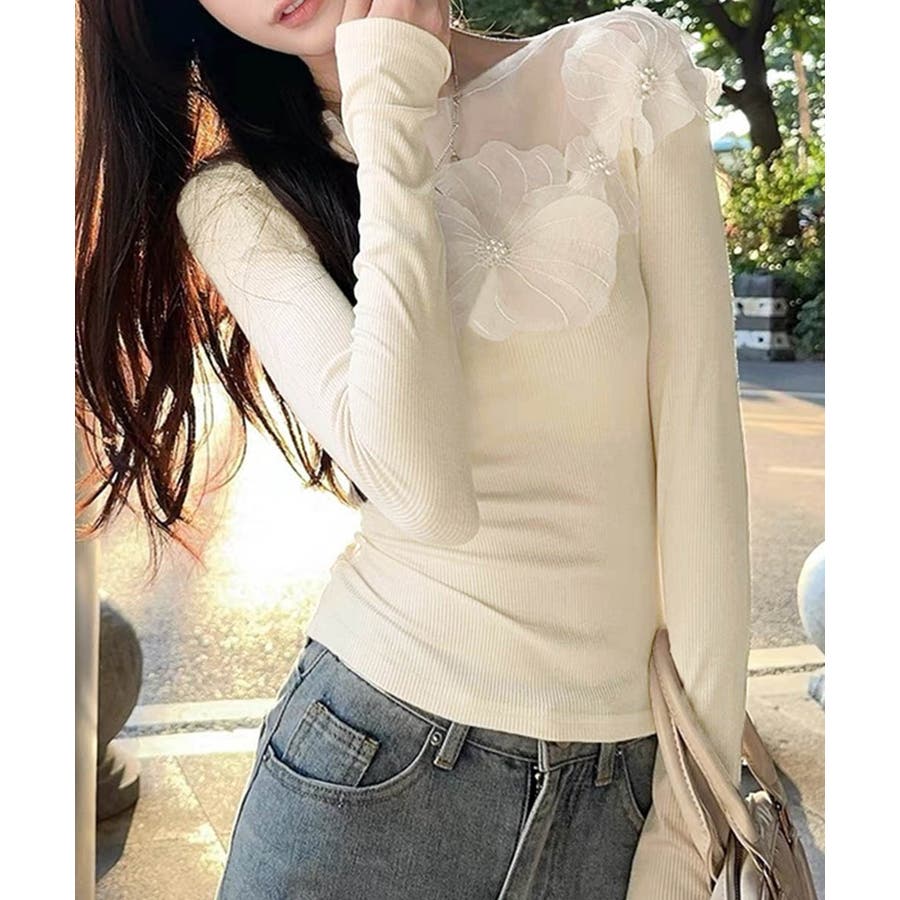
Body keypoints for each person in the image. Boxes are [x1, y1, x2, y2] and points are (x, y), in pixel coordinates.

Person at [74, 1, 752, 898]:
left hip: (621, 790)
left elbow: (706, 460)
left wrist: (689, 829)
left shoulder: (618, 67)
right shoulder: (237, 201)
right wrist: (390, 111)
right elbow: (422, 496)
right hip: (375, 769)